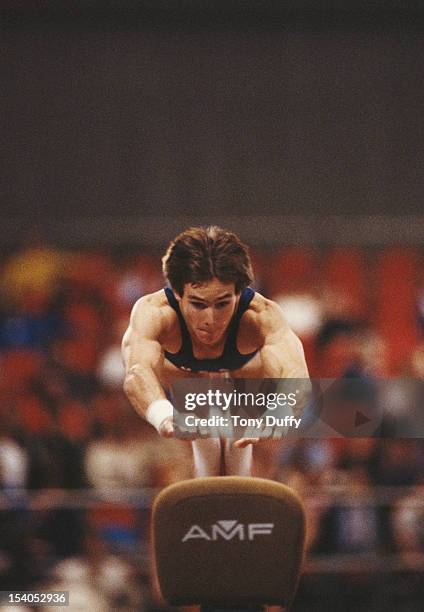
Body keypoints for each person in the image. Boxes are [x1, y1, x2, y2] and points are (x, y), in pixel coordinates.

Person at [122, 226, 309, 477]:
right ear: (177, 293)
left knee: (238, 434)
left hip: (242, 379)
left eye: (222, 304)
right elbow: (137, 373)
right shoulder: (154, 312)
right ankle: (204, 438)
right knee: (202, 438)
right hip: (182, 379)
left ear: (239, 292)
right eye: (198, 304)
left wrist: (275, 417)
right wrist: (164, 416)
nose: (210, 319)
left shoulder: (261, 315)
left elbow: (297, 377)